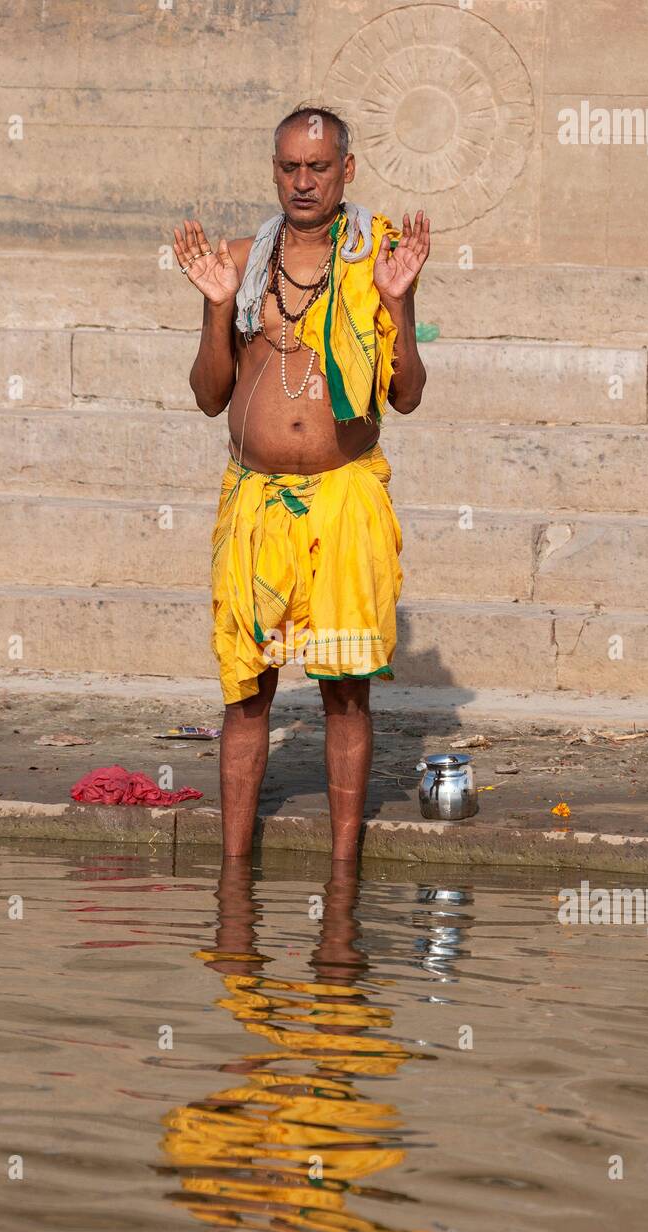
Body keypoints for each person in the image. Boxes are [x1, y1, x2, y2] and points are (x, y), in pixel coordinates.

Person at [174, 104, 429, 860]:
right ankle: (231, 874)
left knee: (346, 690)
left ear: (347, 170)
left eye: (319, 167)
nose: (304, 181)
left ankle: (345, 872)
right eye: (290, 167)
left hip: (344, 500)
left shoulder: (376, 259)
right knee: (247, 692)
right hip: (255, 504)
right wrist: (218, 310)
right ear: (274, 171)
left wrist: (400, 304)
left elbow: (407, 393)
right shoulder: (240, 260)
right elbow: (208, 394)